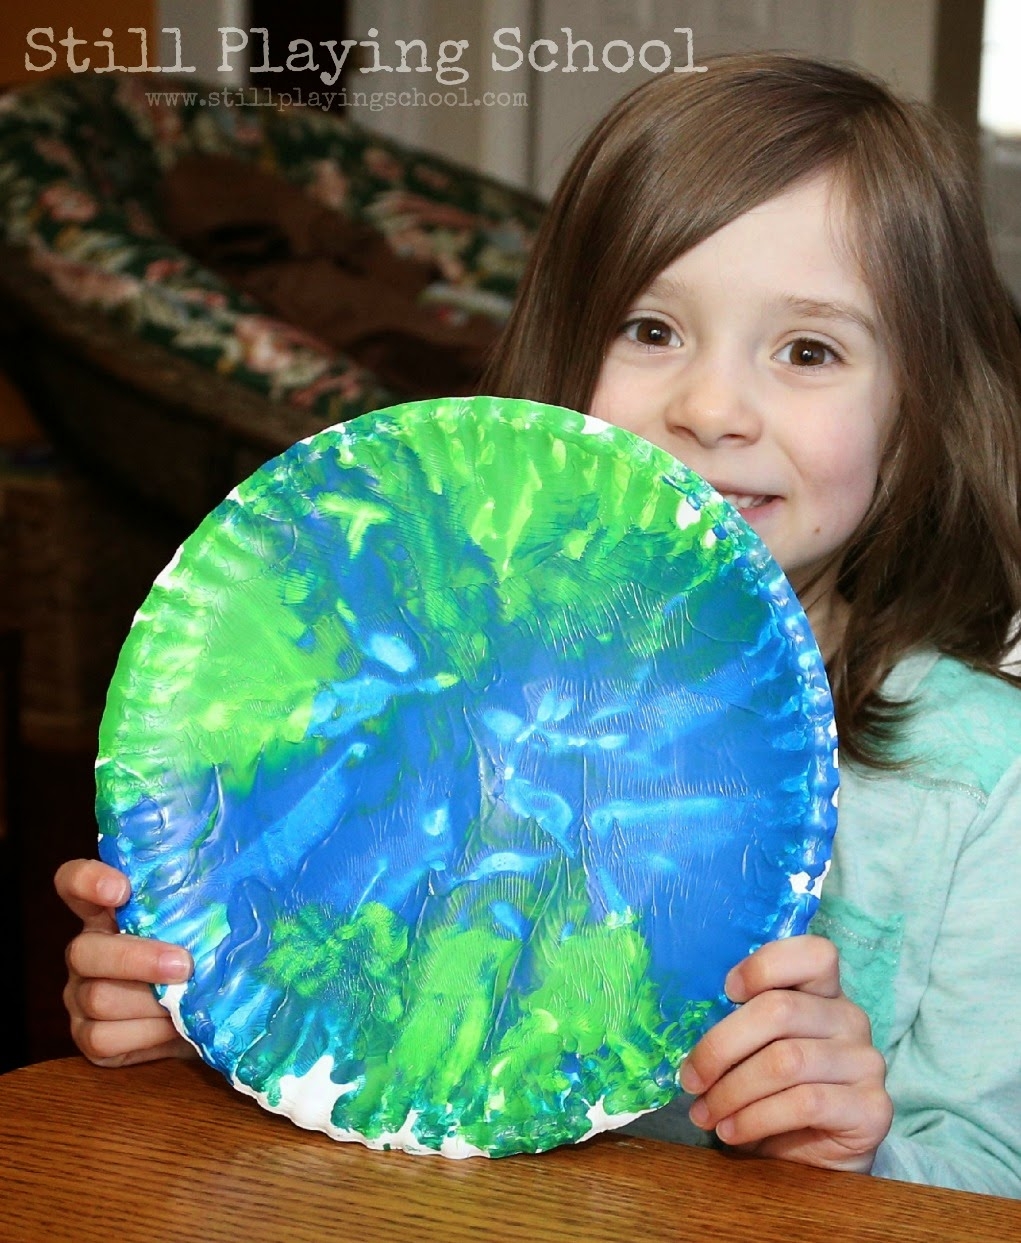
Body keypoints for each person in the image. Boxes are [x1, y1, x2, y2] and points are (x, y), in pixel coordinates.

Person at [56, 53, 1021, 1196]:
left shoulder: (981, 778)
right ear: (561, 355)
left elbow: (988, 1171)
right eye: (649, 329)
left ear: (916, 413)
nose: (711, 409)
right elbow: (341, 1100)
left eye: (808, 351)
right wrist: (209, 1027)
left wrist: (848, 1158)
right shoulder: (383, 697)